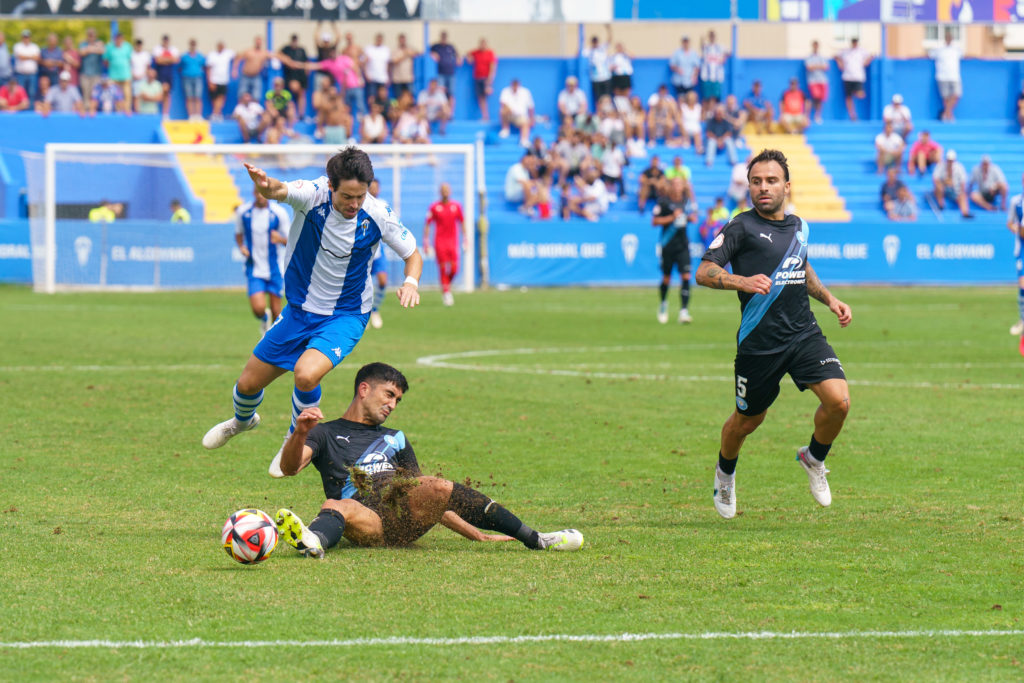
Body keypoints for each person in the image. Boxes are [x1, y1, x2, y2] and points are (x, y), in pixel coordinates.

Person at [202, 148, 423, 478]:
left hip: (346, 316)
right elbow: (279, 190)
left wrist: (410, 282)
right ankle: (241, 422)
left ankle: (294, 438)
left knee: (306, 373)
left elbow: (413, 253)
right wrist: (265, 185)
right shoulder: (313, 194)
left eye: (360, 196)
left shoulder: (377, 213)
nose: (354, 204)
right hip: (299, 312)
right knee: (247, 384)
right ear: (331, 186)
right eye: (347, 196)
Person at [273, 362, 584, 556]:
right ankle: (314, 541)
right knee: (338, 505)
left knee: (435, 485)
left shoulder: (396, 438)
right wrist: (299, 432)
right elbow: (289, 467)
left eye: (397, 399)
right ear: (364, 389)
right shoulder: (325, 433)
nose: (393, 404)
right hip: (368, 522)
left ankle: (537, 539)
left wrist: (476, 534)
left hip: (403, 519)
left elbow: (424, 496)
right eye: (388, 394)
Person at [695, 148, 852, 520]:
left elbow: (801, 267)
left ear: (787, 186)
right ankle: (725, 474)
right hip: (760, 344)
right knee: (747, 422)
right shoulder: (740, 226)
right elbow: (704, 272)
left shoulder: (800, 226)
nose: (763, 187)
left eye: (770, 181)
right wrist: (742, 280)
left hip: (803, 333)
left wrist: (829, 298)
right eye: (756, 181)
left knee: (839, 402)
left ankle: (813, 458)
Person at [234, 186, 290, 335]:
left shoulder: (279, 213)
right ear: (253, 193)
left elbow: (291, 240)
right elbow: (238, 233)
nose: (260, 196)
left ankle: (274, 345)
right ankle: (264, 318)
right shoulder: (243, 212)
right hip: (254, 267)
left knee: (277, 312)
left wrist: (280, 239)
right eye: (257, 192)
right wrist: (241, 247)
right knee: (258, 309)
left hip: (275, 269)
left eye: (263, 193)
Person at [652, 176, 695, 324]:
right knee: (666, 278)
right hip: (668, 245)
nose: (677, 186)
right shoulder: (663, 202)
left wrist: (690, 217)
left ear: (683, 186)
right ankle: (663, 303)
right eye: (675, 184)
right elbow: (655, 221)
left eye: (680, 184)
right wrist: (672, 217)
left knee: (686, 276)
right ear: (671, 186)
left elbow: (693, 216)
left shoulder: (686, 202)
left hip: (683, 245)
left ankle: (684, 311)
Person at [424, 182, 465, 307]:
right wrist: (426, 242)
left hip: (453, 242)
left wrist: (466, 239)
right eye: (443, 190)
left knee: (454, 269)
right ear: (440, 192)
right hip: (440, 242)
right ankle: (446, 293)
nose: (445, 192)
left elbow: (462, 222)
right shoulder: (434, 207)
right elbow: (428, 224)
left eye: (447, 189)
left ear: (450, 191)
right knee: (442, 268)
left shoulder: (456, 206)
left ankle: (447, 286)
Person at [1006, 175, 1024, 349]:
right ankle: (1023, 320)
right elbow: (1010, 223)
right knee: (1023, 285)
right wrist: (1018, 230)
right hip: (1022, 250)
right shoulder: (1016, 202)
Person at [367, 178, 388, 330]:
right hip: (363, 251)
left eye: (376, 187)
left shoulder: (383, 205)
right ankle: (363, 314)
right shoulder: (361, 204)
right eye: (371, 187)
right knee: (361, 284)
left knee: (382, 281)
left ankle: (375, 310)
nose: (374, 190)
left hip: (378, 250)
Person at [837, 37, 871, 121]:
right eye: (853, 42)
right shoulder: (845, 51)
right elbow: (836, 56)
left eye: (855, 42)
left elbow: (871, 56)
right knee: (848, 97)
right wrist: (840, 63)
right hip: (847, 77)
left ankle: (854, 92)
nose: (854, 43)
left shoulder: (862, 51)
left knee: (860, 94)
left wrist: (866, 62)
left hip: (858, 77)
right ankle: (852, 116)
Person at [933, 149, 973, 219]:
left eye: (951, 161)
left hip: (955, 190)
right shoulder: (940, 166)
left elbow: (963, 181)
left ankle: (965, 213)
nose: (950, 162)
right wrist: (943, 183)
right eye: (949, 160)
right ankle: (941, 205)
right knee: (939, 187)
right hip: (943, 188)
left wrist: (961, 191)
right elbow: (935, 179)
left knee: (962, 195)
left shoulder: (959, 167)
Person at [932, 29, 962, 122]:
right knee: (945, 97)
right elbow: (928, 55)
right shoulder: (939, 50)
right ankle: (949, 116)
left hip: (954, 76)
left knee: (957, 94)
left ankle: (946, 113)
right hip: (942, 76)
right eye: (947, 38)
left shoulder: (957, 49)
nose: (949, 39)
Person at [279, 34, 309, 121]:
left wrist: (305, 72)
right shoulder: (286, 49)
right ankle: (289, 114)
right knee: (292, 92)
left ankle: (301, 115)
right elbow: (278, 54)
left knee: (301, 94)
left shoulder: (302, 50)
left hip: (301, 76)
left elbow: (306, 62)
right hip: (291, 76)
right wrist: (288, 61)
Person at [466, 38, 497, 120]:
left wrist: (490, 79)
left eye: (484, 44)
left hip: (486, 78)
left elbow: (493, 66)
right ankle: (484, 116)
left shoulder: (490, 53)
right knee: (480, 97)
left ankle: (486, 116)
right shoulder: (476, 52)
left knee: (485, 97)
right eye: (481, 44)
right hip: (477, 78)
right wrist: (469, 58)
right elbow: (468, 53)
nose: (483, 45)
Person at [498, 78, 535, 146]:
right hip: (509, 115)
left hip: (521, 117)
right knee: (503, 111)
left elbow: (531, 106)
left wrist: (531, 118)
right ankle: (505, 129)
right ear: (511, 85)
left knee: (526, 121)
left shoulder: (526, 92)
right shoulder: (505, 91)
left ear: (519, 85)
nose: (515, 87)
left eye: (516, 86)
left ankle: (524, 140)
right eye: (513, 86)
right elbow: (502, 104)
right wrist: (510, 110)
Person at [235, 36, 271, 102]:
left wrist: (291, 62)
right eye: (257, 42)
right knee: (242, 93)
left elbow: (278, 56)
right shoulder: (248, 51)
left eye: (260, 42)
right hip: (245, 75)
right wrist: (234, 70)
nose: (258, 43)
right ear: (255, 42)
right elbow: (238, 58)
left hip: (256, 76)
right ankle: (241, 110)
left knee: (256, 95)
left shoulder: (264, 53)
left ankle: (254, 109)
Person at [205, 41, 234, 122]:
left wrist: (234, 68)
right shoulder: (212, 55)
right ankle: (217, 114)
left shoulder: (228, 53)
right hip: (214, 80)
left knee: (221, 98)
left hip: (224, 80)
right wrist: (209, 81)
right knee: (214, 98)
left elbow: (238, 56)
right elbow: (208, 69)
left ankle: (215, 114)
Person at [583, 25, 612, 104]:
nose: (595, 43)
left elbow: (609, 40)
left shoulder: (602, 48)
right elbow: (580, 52)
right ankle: (600, 113)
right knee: (598, 98)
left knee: (607, 97)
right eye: (594, 41)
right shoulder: (589, 50)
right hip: (596, 78)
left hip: (606, 76)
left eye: (596, 41)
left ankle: (608, 112)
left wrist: (609, 29)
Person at [151, 34, 179, 118]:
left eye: (167, 40)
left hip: (169, 74)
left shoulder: (173, 49)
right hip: (161, 74)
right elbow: (158, 60)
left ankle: (165, 113)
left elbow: (176, 60)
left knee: (167, 93)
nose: (166, 42)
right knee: (160, 92)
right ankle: (159, 112)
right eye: (164, 40)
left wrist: (164, 59)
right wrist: (169, 59)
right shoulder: (157, 49)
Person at [77, 28, 105, 111]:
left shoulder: (99, 43)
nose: (91, 37)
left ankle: (93, 110)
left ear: (95, 36)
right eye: (90, 35)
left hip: (96, 74)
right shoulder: (83, 44)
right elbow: (82, 52)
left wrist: (89, 49)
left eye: (93, 35)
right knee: (86, 93)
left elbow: (102, 51)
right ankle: (85, 111)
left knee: (94, 94)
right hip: (85, 74)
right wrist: (94, 48)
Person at [429, 30, 459, 102]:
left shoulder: (451, 47)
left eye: (445, 37)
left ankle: (451, 112)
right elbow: (427, 51)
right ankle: (443, 110)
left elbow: (457, 55)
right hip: (441, 73)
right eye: (442, 36)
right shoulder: (436, 46)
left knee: (451, 94)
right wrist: (433, 54)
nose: (444, 38)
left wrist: (458, 59)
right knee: (441, 93)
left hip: (451, 73)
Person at [699, 30, 727, 106]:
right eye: (710, 36)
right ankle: (706, 114)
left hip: (717, 77)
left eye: (713, 36)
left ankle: (714, 113)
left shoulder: (720, 47)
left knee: (716, 98)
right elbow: (701, 44)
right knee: (706, 97)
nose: (712, 37)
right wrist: (703, 37)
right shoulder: (706, 47)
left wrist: (724, 58)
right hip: (706, 77)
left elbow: (728, 53)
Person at [179, 39, 205, 121]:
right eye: (191, 44)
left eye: (194, 44)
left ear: (196, 45)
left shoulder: (200, 57)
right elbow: (180, 67)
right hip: (187, 78)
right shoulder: (184, 57)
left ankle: (198, 115)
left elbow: (204, 66)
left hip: (197, 78)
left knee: (198, 97)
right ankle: (191, 116)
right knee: (189, 97)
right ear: (189, 45)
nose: (193, 45)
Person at [361, 33, 391, 105]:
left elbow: (388, 64)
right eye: (378, 39)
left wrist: (388, 76)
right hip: (372, 77)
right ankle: (372, 112)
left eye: (380, 39)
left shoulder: (386, 50)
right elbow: (363, 62)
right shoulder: (369, 49)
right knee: (372, 97)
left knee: (383, 96)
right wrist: (366, 74)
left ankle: (382, 112)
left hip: (382, 78)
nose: (379, 40)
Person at [704, 104, 736, 168]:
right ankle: (709, 161)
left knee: (729, 141)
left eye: (720, 112)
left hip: (723, 140)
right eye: (717, 112)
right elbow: (708, 133)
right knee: (711, 142)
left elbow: (729, 133)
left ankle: (733, 161)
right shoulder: (710, 121)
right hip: (714, 139)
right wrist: (717, 140)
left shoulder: (726, 121)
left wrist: (721, 140)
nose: (718, 114)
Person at [804, 40, 828, 124]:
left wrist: (815, 66)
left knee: (820, 99)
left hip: (822, 80)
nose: (815, 47)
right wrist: (819, 66)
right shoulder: (809, 57)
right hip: (813, 81)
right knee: (814, 97)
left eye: (817, 45)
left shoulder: (821, 57)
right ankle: (807, 116)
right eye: (814, 45)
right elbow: (809, 67)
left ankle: (817, 116)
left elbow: (826, 67)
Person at [13, 30, 41, 102]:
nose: (26, 39)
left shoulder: (35, 46)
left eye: (27, 37)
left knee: (32, 93)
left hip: (32, 74)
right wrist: (32, 57)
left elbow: (37, 58)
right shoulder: (17, 46)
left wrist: (26, 57)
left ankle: (30, 112)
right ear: (22, 38)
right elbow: (21, 57)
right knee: (20, 94)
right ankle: (21, 111)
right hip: (21, 74)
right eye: (24, 37)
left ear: (30, 38)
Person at [389, 33, 419, 98]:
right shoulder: (395, 50)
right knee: (397, 97)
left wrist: (412, 52)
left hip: (408, 78)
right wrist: (405, 55)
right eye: (401, 40)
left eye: (403, 40)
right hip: (397, 78)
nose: (402, 41)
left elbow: (418, 53)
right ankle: (397, 108)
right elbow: (394, 61)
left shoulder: (409, 49)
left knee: (410, 96)